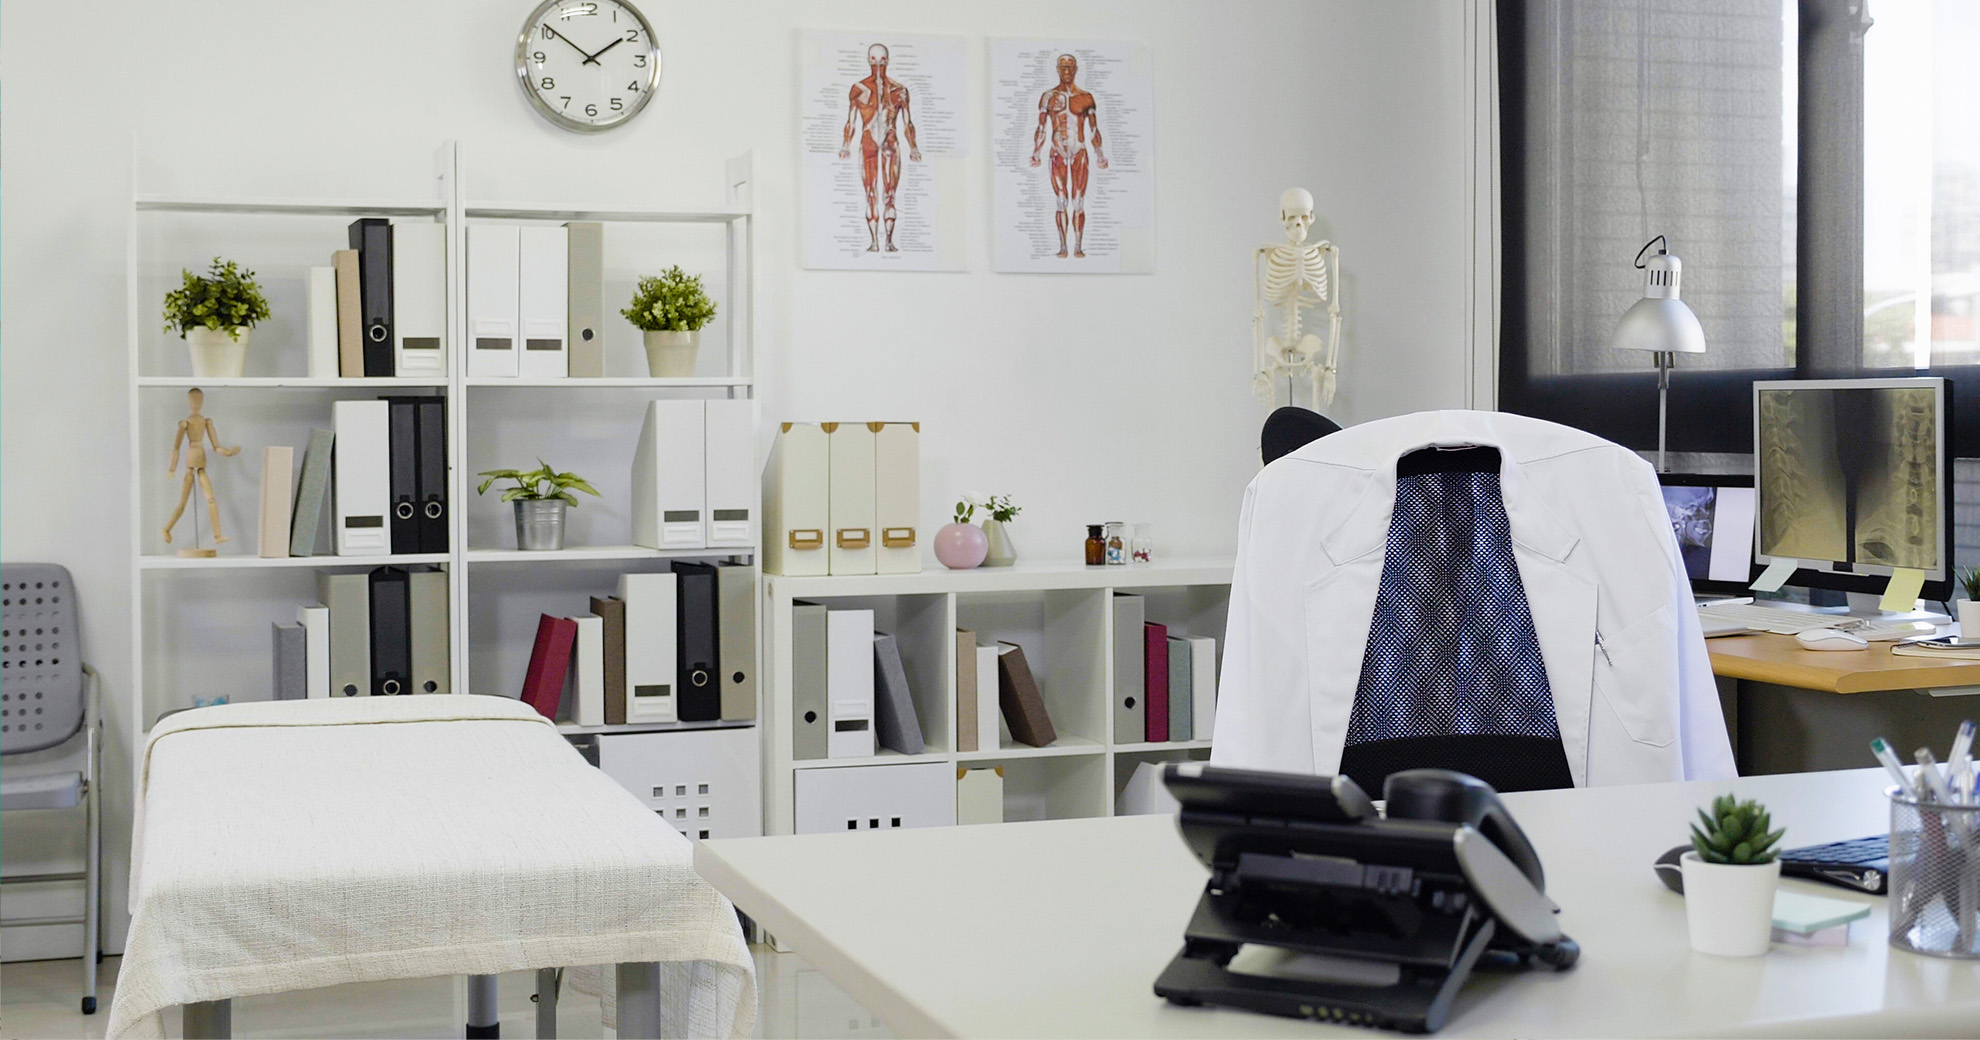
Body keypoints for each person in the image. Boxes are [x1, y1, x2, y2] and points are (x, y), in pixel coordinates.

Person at [838, 44, 921, 253]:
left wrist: (913, 147)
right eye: (874, 59)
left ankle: (889, 242)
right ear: (868, 60)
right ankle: (874, 242)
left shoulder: (899, 91)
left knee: (890, 194)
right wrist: (846, 145)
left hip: (891, 145)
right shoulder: (859, 89)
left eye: (882, 60)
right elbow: (851, 121)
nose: (878, 64)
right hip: (868, 144)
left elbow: (907, 122)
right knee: (871, 193)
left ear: (888, 61)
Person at [1030, 54, 1108, 258]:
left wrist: (1100, 155)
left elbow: (1093, 129)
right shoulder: (1048, 97)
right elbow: (1041, 127)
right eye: (1063, 68)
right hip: (1057, 153)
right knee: (1061, 200)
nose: (1066, 72)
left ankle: (1078, 246)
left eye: (1070, 68)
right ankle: (1063, 246)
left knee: (1079, 201)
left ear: (1076, 69)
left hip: (1079, 152)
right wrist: (1036, 152)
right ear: (1057, 69)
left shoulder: (1086, 97)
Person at [162, 387, 239, 546]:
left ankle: (217, 536)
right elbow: (175, 447)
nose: (196, 403)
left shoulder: (206, 422)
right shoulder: (185, 424)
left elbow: (216, 446)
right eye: (193, 400)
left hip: (202, 463)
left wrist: (228, 452)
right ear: (189, 402)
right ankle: (167, 529)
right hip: (190, 465)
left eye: (199, 400)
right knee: (182, 504)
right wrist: (172, 468)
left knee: (211, 499)